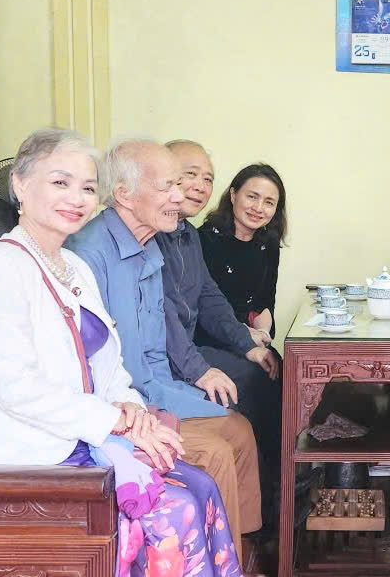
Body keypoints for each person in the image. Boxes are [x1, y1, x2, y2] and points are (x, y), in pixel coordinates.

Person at [0, 128, 242, 576]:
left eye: (87, 188)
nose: (77, 198)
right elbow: (16, 388)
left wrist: (133, 411)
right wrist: (114, 421)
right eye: (60, 183)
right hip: (24, 451)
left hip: (79, 435)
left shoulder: (73, 266)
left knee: (199, 484)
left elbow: (109, 366)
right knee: (172, 509)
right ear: (21, 184)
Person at [67, 138, 265, 563]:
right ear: (124, 194)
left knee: (239, 430)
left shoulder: (152, 244)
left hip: (153, 388)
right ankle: (220, 564)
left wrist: (185, 384)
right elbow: (87, 366)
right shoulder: (88, 254)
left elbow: (160, 339)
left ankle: (244, 555)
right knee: (214, 453)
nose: (182, 196)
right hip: (120, 405)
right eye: (169, 186)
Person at [156, 139, 281, 536]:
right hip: (178, 358)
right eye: (189, 175)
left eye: (206, 177)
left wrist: (250, 344)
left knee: (274, 369)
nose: (198, 185)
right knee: (253, 382)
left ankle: (272, 497)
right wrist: (203, 368)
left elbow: (212, 299)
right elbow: (167, 320)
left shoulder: (186, 235)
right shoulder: (168, 236)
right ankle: (267, 507)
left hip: (199, 346)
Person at [198, 162, 286, 341]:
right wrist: (245, 338)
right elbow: (202, 310)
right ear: (233, 195)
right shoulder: (204, 240)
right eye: (252, 197)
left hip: (252, 339)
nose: (258, 208)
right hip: (211, 341)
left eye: (269, 202)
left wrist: (263, 334)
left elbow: (264, 303)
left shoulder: (268, 244)